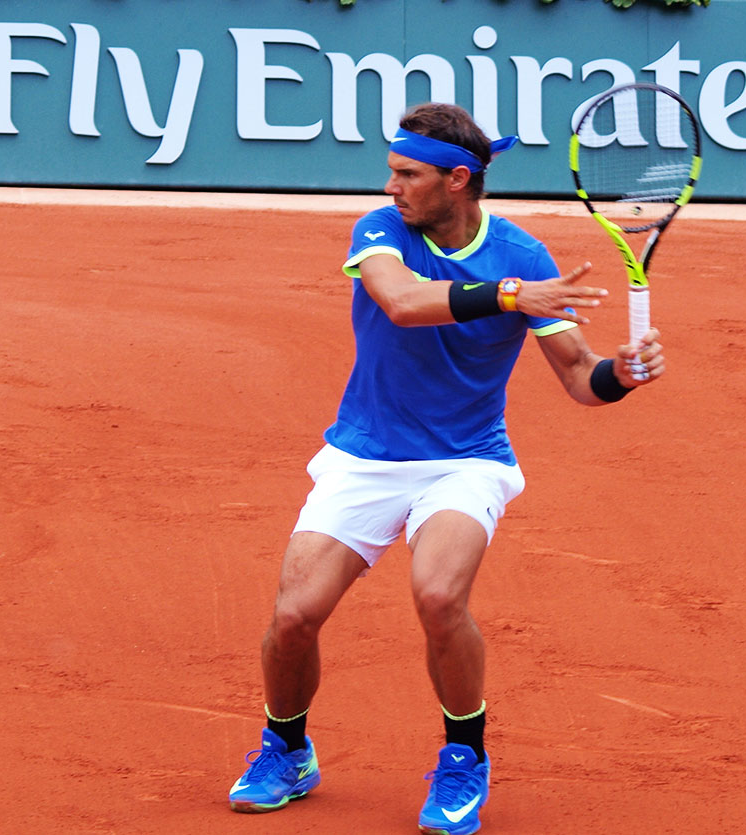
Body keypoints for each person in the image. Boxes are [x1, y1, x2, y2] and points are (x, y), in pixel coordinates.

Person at [227, 102, 664, 835]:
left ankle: (464, 757)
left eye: (407, 174)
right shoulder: (382, 233)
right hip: (365, 455)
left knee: (437, 595)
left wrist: (621, 372)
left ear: (457, 180)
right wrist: (511, 297)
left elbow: (581, 379)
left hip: (466, 461)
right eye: (393, 173)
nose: (392, 187)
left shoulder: (523, 255)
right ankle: (288, 747)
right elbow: (399, 303)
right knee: (294, 617)